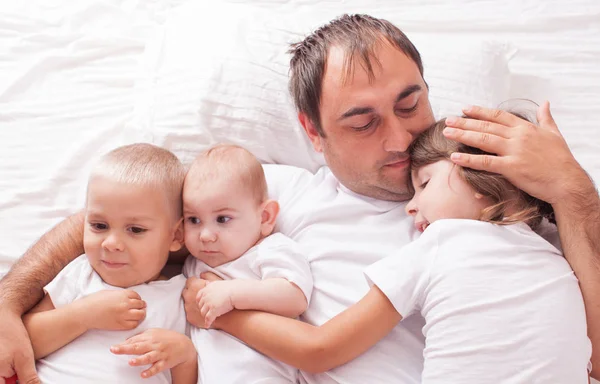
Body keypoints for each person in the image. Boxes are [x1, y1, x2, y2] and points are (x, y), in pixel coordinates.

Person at [1, 14, 599, 384]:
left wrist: (573, 191)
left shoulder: (486, 195)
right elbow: (117, 214)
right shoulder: (275, 193)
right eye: (361, 122)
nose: (399, 138)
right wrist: (8, 300)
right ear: (312, 133)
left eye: (409, 102)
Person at [190, 116, 592, 383]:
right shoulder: (555, 257)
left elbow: (321, 350)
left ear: (479, 174)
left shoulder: (440, 242)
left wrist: (221, 315)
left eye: (426, 183)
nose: (410, 205)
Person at [116, 144, 312, 383]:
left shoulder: (270, 250)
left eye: (222, 219)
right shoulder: (195, 263)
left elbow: (295, 297)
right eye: (194, 219)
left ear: (265, 218)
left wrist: (232, 294)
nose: (206, 235)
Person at [21, 144, 197, 383]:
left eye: (135, 229)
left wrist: (185, 355)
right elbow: (23, 343)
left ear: (176, 236)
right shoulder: (81, 274)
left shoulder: (182, 297)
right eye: (99, 226)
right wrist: (83, 315)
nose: (111, 243)